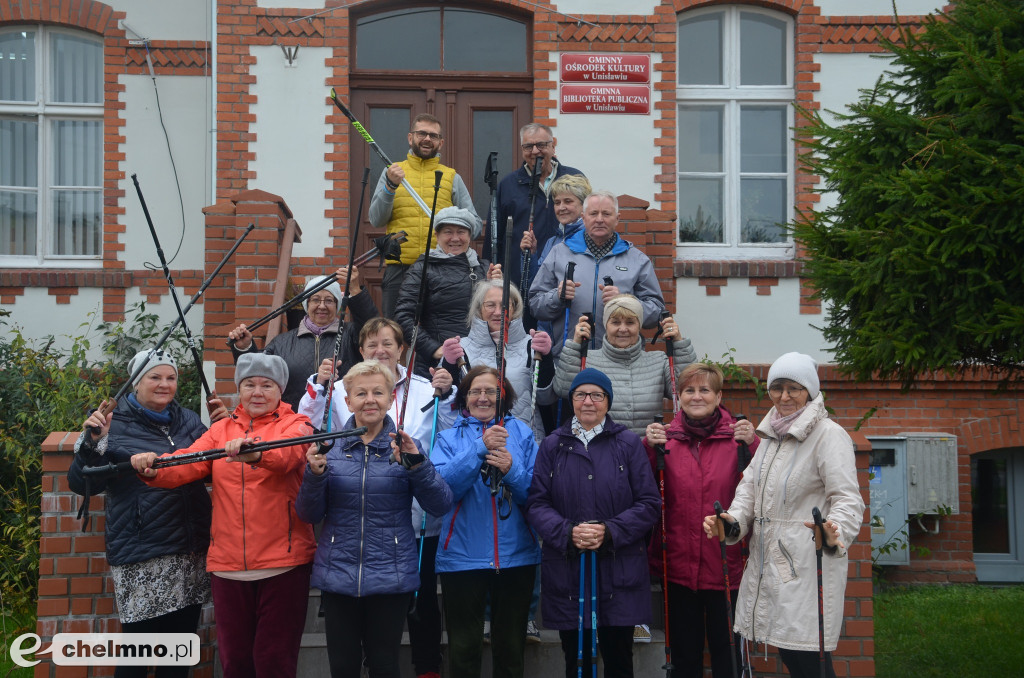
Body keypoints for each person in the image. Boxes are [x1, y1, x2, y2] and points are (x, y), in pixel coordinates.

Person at [131, 354, 317, 678]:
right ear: (239, 389)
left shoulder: (296, 424)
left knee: (274, 663)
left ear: (281, 389)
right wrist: (153, 467)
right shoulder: (221, 430)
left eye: (266, 385)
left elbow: (287, 455)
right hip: (228, 568)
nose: (257, 392)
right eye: (249, 384)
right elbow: (188, 461)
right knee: (235, 664)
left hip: (283, 565)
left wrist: (255, 453)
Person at [299, 317, 454, 678]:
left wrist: (417, 464)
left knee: (385, 664)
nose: (370, 400)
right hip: (340, 570)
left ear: (390, 398)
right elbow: (309, 512)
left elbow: (441, 503)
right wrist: (314, 474)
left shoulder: (404, 446)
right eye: (361, 394)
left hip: (392, 570)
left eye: (378, 393)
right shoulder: (333, 447)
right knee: (343, 666)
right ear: (347, 400)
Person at [703, 352, 865, 678]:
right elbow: (749, 491)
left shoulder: (828, 435)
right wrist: (731, 522)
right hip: (769, 561)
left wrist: (835, 531)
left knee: (808, 661)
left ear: (810, 391)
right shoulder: (771, 436)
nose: (784, 396)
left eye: (794, 388)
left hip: (807, 561)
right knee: (794, 657)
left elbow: (847, 498)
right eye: (777, 388)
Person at [67, 350, 226, 678]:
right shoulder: (113, 423)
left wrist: (225, 427)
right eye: (155, 377)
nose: (164, 384)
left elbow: (212, 467)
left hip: (190, 549)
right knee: (138, 652)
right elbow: (81, 481)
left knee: (179, 652)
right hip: (143, 552)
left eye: (170, 378)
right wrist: (93, 442)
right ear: (136, 383)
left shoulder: (188, 420)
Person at [526, 369, 661, 678]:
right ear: (572, 400)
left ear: (607, 401)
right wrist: (568, 532)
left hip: (619, 569)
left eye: (596, 395)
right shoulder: (552, 445)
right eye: (580, 395)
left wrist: (609, 530)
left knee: (618, 659)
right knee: (575, 659)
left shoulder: (628, 443)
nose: (588, 401)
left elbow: (649, 503)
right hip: (569, 568)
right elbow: (537, 503)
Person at [643, 362, 760, 677]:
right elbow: (645, 493)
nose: (696, 396)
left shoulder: (739, 439)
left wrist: (754, 444)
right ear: (678, 397)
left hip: (727, 565)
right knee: (684, 657)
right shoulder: (664, 440)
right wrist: (647, 448)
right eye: (689, 390)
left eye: (704, 390)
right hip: (678, 567)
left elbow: (761, 488)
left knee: (728, 656)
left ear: (718, 396)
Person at [430, 366, 541, 678]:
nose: (483, 397)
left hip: (517, 556)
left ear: (503, 396)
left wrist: (512, 470)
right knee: (464, 652)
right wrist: (479, 449)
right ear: (465, 398)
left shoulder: (522, 434)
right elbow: (442, 490)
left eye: (491, 391)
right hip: (462, 559)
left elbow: (537, 495)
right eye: (475, 391)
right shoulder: (448, 438)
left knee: (511, 650)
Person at [367, 113, 480, 317]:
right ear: (410, 138)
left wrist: (453, 224)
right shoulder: (392, 173)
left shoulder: (451, 177)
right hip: (400, 268)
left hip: (441, 268)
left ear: (441, 142)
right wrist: (390, 186)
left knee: (437, 330)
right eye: (422, 133)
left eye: (433, 135)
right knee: (395, 331)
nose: (427, 139)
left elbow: (475, 224)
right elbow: (376, 219)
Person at [529, 191, 665, 356]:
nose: (599, 219)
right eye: (593, 213)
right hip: (571, 357)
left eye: (606, 214)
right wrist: (557, 297)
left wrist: (625, 302)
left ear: (617, 218)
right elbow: (535, 305)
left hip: (620, 359)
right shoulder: (559, 253)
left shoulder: (637, 260)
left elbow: (657, 313)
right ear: (584, 217)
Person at [228, 266, 376, 411]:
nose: (322, 306)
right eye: (316, 300)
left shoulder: (351, 335)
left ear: (337, 305)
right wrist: (244, 348)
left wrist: (355, 291)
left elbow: (372, 328)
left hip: (342, 422)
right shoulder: (282, 342)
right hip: (294, 424)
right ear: (307, 304)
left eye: (329, 300)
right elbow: (258, 371)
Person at [553, 294, 695, 435]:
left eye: (630, 322)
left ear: (639, 325)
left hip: (648, 451)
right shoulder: (587, 360)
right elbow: (563, 389)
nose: (622, 329)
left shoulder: (658, 360)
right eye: (615, 322)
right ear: (605, 325)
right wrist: (575, 345)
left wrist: (679, 343)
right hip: (600, 451)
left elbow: (686, 389)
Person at [393, 205, 500, 379]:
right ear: (437, 235)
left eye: (461, 232)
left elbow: (502, 314)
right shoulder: (422, 269)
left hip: (481, 362)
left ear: (470, 235)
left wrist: (496, 286)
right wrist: (432, 348)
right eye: (448, 232)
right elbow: (403, 316)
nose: (455, 238)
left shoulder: (485, 268)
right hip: (437, 366)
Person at [451, 279, 553, 442]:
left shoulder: (531, 345)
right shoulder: (461, 348)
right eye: (490, 305)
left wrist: (546, 358)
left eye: (505, 305)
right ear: (479, 309)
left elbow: (546, 398)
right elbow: (450, 405)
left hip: (524, 442)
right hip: (474, 443)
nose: (498, 312)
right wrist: (448, 365)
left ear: (515, 308)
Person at [489, 122, 585, 295]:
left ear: (553, 146)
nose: (534, 151)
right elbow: (494, 235)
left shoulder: (574, 178)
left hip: (568, 277)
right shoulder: (508, 185)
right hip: (520, 278)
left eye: (541, 145)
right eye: (528, 146)